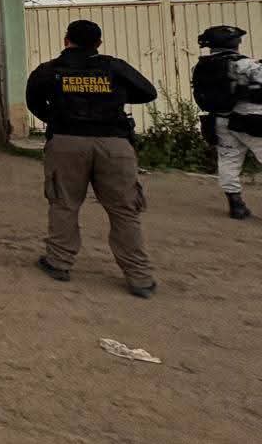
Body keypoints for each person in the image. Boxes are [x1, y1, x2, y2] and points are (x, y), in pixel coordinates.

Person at [26, 19, 159, 298]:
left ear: (66, 41)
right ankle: (140, 277)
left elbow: (34, 101)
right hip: (114, 145)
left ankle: (59, 263)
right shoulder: (114, 67)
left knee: (64, 203)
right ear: (98, 43)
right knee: (125, 210)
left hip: (66, 143)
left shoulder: (49, 71)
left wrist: (56, 119)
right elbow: (148, 92)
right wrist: (114, 96)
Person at [192, 25, 262, 220]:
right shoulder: (245, 64)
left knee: (229, 160)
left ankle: (236, 206)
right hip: (251, 119)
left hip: (220, 119)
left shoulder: (201, 66)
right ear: (235, 43)